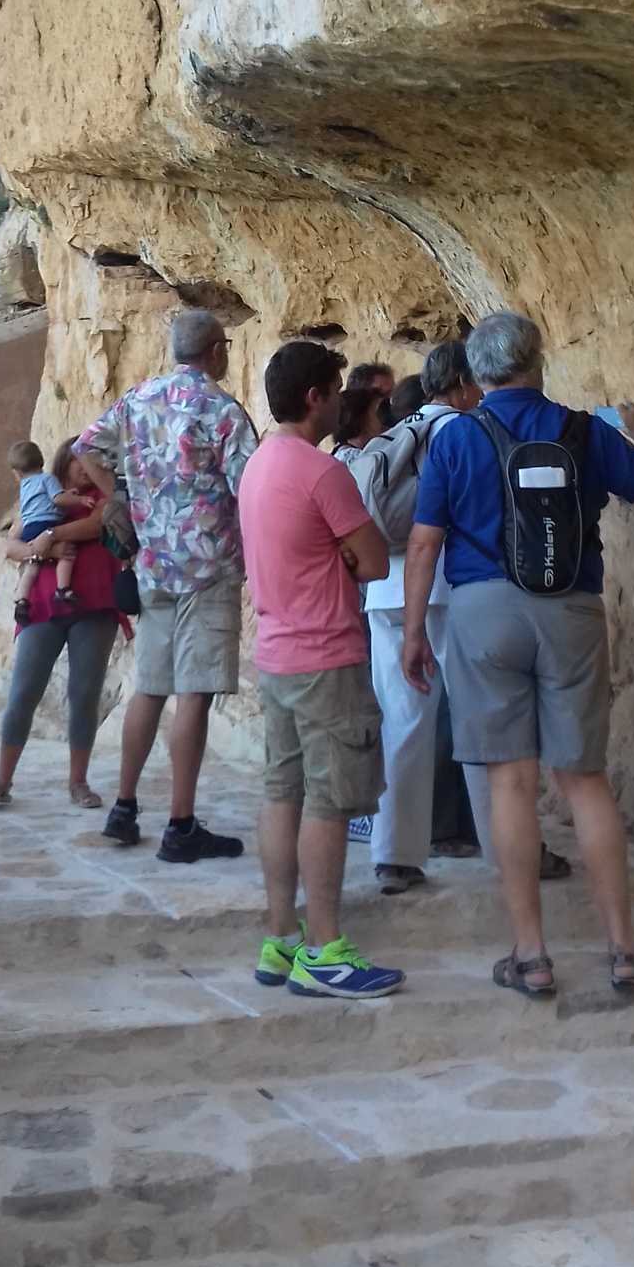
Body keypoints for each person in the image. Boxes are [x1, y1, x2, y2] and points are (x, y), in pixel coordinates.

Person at [402, 311, 634, 997]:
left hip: (482, 613)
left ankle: (530, 955)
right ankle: (623, 950)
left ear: (477, 372)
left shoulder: (458, 436)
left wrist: (414, 632)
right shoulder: (585, 431)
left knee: (510, 784)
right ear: (538, 359)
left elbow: (423, 543)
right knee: (585, 781)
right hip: (572, 611)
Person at [239, 339, 404, 999]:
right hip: (327, 656)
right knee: (331, 802)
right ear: (315, 397)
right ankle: (325, 947)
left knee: (283, 794)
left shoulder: (257, 465)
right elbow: (375, 560)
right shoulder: (321, 472)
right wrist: (340, 558)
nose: (342, 403)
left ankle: (281, 936)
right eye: (336, 391)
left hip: (276, 654)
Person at [74, 309, 256, 862]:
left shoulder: (137, 400)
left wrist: (119, 498)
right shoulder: (222, 411)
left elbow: (85, 447)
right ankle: (181, 823)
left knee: (150, 687)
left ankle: (123, 809)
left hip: (151, 566)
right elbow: (251, 486)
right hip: (209, 568)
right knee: (194, 694)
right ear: (218, 351)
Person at [361, 340, 488, 893]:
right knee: (482, 720)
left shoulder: (397, 429)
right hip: (438, 590)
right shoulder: (464, 432)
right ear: (462, 383)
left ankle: (394, 854)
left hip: (383, 592)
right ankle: (510, 844)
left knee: (404, 721)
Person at [0, 438, 122, 810]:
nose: (85, 469)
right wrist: (40, 548)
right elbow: (10, 545)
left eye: (91, 462)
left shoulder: (105, 494)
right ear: (62, 462)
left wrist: (50, 535)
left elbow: (95, 525)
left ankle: (78, 781)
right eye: (78, 462)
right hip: (42, 605)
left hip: (96, 604)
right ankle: (2, 779)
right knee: (23, 692)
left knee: (84, 695)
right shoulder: (41, 492)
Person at [6, 438, 91, 626]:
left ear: (18, 473)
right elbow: (58, 499)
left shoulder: (25, 487)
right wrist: (80, 500)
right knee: (67, 553)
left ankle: (22, 600)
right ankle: (62, 589)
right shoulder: (47, 479)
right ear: (41, 462)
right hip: (45, 524)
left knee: (32, 565)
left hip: (29, 528)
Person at [332, 385, 388, 458]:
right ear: (361, 420)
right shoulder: (353, 458)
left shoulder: (343, 452)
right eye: (377, 413)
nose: (382, 417)